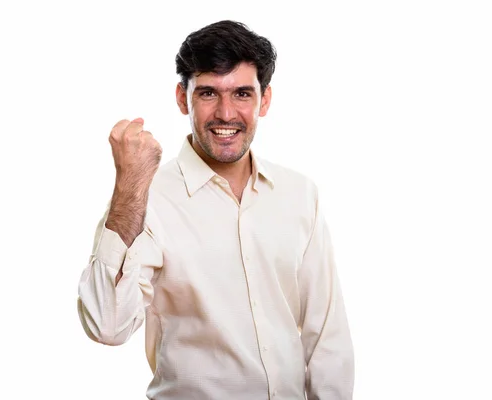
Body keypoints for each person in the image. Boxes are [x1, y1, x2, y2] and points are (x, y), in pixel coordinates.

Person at [77, 20, 354, 400]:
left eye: (242, 93)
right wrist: (129, 184)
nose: (226, 113)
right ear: (181, 98)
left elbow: (327, 336)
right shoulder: (145, 199)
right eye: (208, 93)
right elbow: (107, 325)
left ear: (265, 100)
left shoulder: (300, 195)